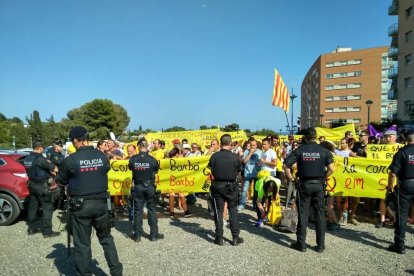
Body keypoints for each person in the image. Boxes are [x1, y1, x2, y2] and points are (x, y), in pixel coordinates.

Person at [56, 126, 123, 276]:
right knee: (106, 239)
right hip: (101, 204)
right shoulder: (102, 156)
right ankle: (117, 272)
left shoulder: (70, 160)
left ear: (75, 140)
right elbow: (105, 170)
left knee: (82, 244)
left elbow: (60, 181)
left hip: (81, 207)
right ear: (86, 138)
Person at [284, 128, 334, 253]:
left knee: (303, 213)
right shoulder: (324, 151)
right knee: (320, 214)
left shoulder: (300, 150)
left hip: (304, 185)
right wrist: (323, 177)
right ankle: (320, 245)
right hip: (319, 185)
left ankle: (301, 244)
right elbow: (332, 169)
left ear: (305, 137)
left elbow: (286, 165)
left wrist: (291, 178)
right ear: (315, 137)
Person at [208, 134, 243, 246]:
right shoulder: (235, 157)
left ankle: (219, 238)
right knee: (233, 211)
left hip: (218, 185)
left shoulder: (214, 156)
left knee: (219, 211)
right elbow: (239, 171)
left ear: (220, 143)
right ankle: (235, 237)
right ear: (230, 143)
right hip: (231, 186)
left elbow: (210, 170)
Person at [128, 138, 164, 242]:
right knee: (152, 210)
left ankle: (138, 235)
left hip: (138, 186)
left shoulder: (133, 159)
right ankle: (153, 234)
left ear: (139, 146)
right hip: (150, 187)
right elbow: (156, 170)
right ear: (146, 146)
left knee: (138, 211)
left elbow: (130, 168)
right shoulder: (152, 159)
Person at [24, 141, 59, 237]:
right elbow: (55, 169)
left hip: (32, 185)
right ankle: (47, 232)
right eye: (43, 148)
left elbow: (35, 170)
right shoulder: (41, 159)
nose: (43, 149)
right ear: (39, 148)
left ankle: (31, 228)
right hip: (42, 186)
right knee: (48, 207)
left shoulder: (27, 158)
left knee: (33, 207)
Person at [387, 130, 414, 254]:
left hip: (406, 185)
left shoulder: (402, 152)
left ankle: (400, 245)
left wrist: (389, 187)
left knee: (402, 214)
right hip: (407, 184)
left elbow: (393, 173)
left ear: (406, 140)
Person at [238, 139, 262, 210]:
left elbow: (262, 162)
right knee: (245, 189)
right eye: (251, 145)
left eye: (254, 145)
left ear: (256, 145)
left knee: (256, 191)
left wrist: (259, 163)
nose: (252, 147)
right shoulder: (246, 151)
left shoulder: (260, 152)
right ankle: (242, 204)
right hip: (248, 173)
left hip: (257, 173)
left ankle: (255, 204)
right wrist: (250, 153)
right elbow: (244, 161)